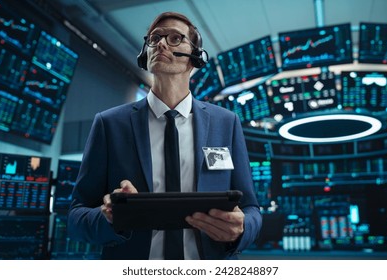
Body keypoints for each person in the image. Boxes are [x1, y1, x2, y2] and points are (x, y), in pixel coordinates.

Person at [67, 11, 262, 260]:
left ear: (194, 58)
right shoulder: (109, 124)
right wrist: (109, 217)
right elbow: (76, 216)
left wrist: (242, 228)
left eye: (174, 38)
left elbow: (252, 209)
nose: (160, 43)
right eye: (154, 38)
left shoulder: (226, 123)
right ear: (144, 55)